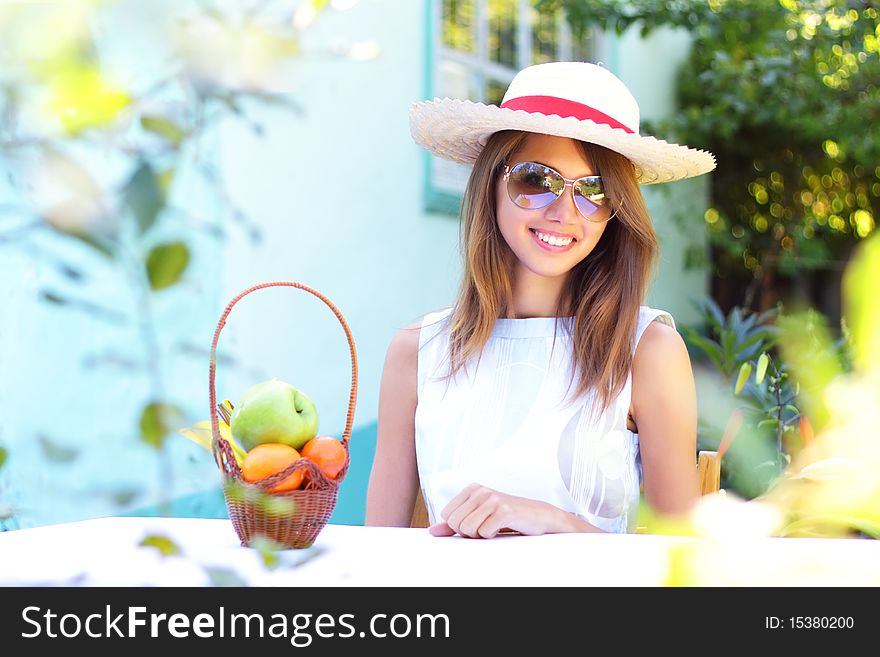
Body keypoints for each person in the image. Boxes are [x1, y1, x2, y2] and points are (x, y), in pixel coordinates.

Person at [365, 61, 716, 537]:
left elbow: (682, 567)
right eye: (535, 179)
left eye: (595, 191)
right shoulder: (417, 352)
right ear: (491, 181)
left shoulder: (646, 351)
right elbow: (376, 556)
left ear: (617, 211)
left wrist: (555, 524)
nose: (564, 212)